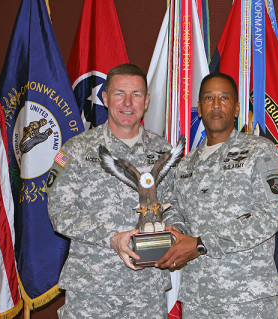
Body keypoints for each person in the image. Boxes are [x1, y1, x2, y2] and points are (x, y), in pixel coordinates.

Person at [46, 63, 186, 319]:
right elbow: (60, 212)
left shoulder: (165, 151)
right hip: (91, 291)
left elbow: (176, 204)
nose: (128, 103)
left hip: (147, 291)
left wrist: (174, 232)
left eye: (136, 95)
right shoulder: (76, 150)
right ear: (105, 98)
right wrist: (111, 237)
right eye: (119, 93)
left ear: (147, 101)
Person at [157, 73, 278, 318]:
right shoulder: (186, 165)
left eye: (224, 98)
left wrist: (200, 244)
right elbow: (176, 209)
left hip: (247, 297)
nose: (216, 105)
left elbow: (267, 217)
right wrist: (174, 236)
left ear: (237, 108)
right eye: (209, 98)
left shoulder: (259, 151)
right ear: (199, 108)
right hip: (198, 297)